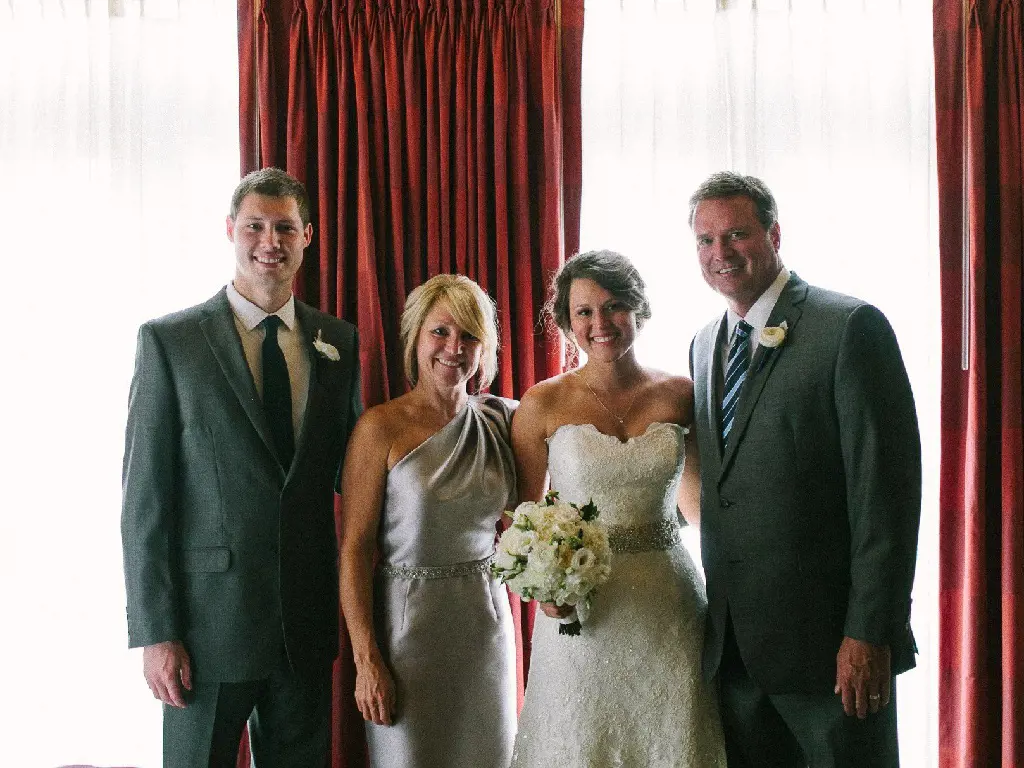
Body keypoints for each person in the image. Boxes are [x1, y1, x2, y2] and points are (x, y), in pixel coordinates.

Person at [121, 167, 362, 767]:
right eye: (254, 225)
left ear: (308, 235)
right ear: (230, 230)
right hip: (206, 632)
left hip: (303, 627)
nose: (269, 241)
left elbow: (349, 474)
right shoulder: (170, 342)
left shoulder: (339, 343)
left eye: (284, 227)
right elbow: (144, 502)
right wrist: (157, 633)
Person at [687, 171, 922, 767]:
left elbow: (884, 496)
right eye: (706, 241)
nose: (721, 254)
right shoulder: (703, 344)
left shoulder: (848, 327)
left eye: (736, 235)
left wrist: (870, 631)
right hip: (735, 654)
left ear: (775, 234)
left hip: (832, 652)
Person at [509, 250, 726, 767]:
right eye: (584, 312)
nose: (600, 324)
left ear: (638, 311)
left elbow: (700, 508)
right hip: (581, 610)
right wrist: (543, 588)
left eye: (614, 307)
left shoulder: (680, 395)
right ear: (566, 322)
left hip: (667, 605)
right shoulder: (542, 403)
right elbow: (520, 517)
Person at [338, 273, 518, 768]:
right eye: (440, 332)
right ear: (415, 337)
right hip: (405, 632)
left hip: (485, 629)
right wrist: (366, 659)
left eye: (469, 336)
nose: (453, 348)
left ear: (485, 348)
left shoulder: (503, 420)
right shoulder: (379, 428)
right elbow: (354, 549)